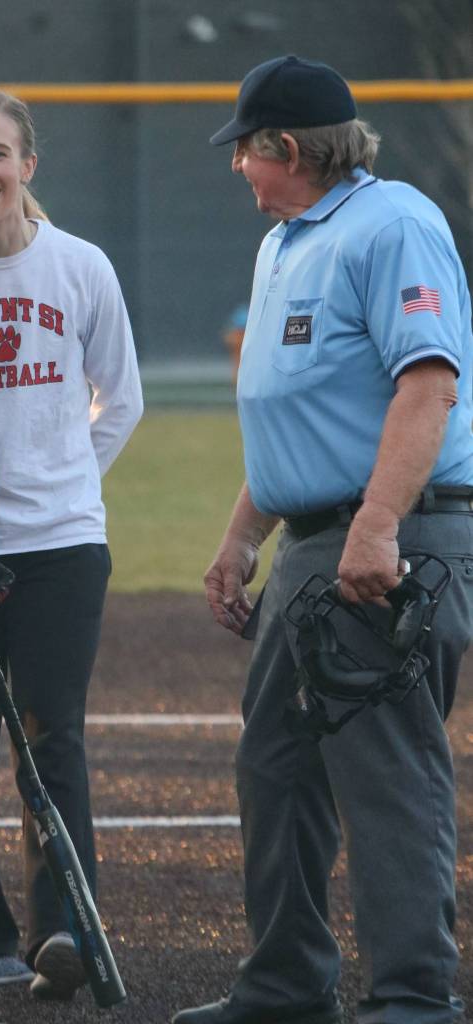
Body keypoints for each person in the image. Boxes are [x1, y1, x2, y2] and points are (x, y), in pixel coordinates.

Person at [174, 55, 473, 1024]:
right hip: (313, 539)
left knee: (383, 766)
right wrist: (238, 535)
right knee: (274, 767)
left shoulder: (391, 224)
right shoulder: (282, 246)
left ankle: (411, 994)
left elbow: (425, 384)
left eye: (244, 152)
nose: (236, 171)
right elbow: (297, 414)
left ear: (288, 149)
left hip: (391, 534)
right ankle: (285, 983)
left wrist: (377, 523)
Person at [0, 89, 143, 1000]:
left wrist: (64, 478)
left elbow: (118, 399)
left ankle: (64, 929)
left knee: (54, 736)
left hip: (61, 544)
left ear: (28, 166)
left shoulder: (81, 266)